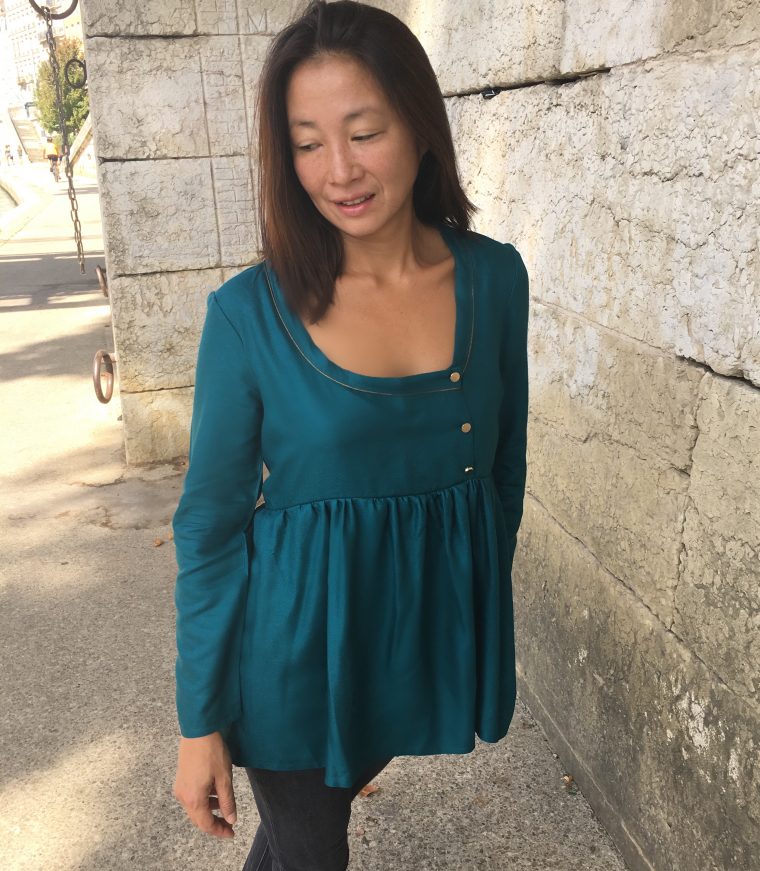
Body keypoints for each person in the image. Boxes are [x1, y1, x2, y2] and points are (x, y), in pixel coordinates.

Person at [171, 1, 530, 868]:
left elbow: (503, 465)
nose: (339, 170)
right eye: (307, 143)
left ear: (420, 125)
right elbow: (210, 527)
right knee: (310, 851)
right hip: (291, 660)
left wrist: (470, 612)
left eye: (364, 132)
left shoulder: (494, 277)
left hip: (412, 647)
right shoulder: (247, 315)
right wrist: (199, 721)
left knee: (295, 846)